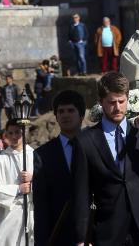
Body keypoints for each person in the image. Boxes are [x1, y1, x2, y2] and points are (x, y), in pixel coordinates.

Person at [72, 72, 139, 245]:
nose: (117, 107)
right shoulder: (85, 141)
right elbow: (81, 193)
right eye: (111, 102)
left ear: (127, 99)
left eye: (121, 101)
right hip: (110, 230)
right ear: (101, 102)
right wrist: (80, 239)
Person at [33, 90, 85, 246]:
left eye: (71, 110)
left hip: (93, 233)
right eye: (61, 111)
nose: (65, 115)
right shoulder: (43, 154)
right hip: (59, 234)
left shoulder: (96, 147)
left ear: (81, 115)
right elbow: (41, 206)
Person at [0, 119, 35, 246]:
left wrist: (33, 180)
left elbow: (49, 183)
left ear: (24, 133)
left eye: (18, 132)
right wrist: (18, 189)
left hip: (32, 212)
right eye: (10, 133)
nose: (14, 136)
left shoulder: (35, 156)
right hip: (9, 214)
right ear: (6, 135)